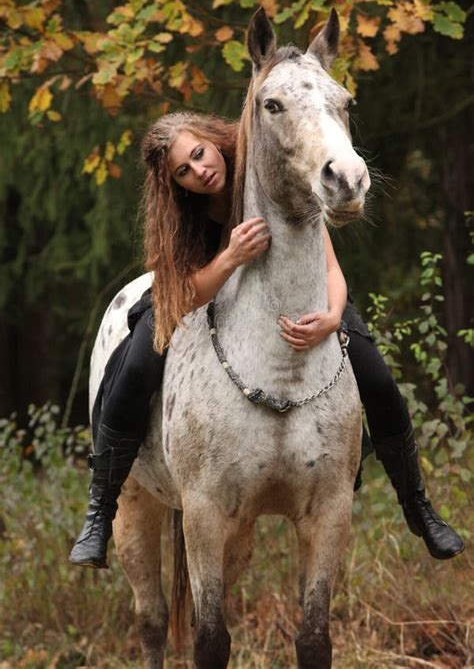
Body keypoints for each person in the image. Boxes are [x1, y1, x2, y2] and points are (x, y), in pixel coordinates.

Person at [69, 111, 464, 569]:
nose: (199, 170)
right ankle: (100, 511)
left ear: (215, 142)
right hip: (198, 292)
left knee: (375, 373)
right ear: (175, 184)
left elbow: (330, 266)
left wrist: (334, 317)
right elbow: (185, 291)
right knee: (135, 367)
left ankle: (417, 505)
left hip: (301, 294)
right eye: (184, 171)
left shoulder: (263, 172)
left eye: (199, 154)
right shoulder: (182, 213)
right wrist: (232, 257)